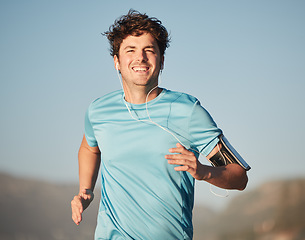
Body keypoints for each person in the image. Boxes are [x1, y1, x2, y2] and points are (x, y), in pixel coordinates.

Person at [71, 9, 250, 240]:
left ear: (161, 60)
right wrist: (85, 191)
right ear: (116, 61)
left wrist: (204, 171)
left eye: (149, 50)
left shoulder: (187, 111)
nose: (140, 58)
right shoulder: (98, 111)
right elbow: (89, 147)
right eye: (131, 50)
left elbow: (239, 176)